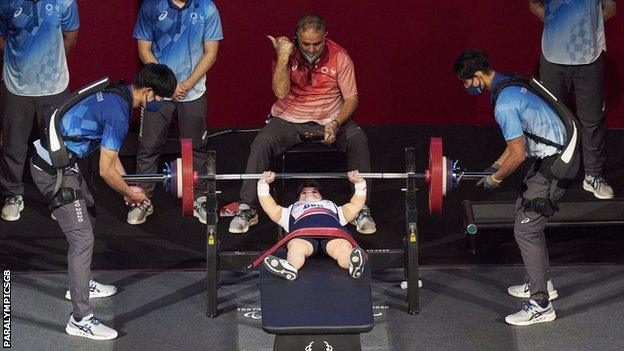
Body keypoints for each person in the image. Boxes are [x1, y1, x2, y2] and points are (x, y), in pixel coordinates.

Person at [29, 63, 177, 340]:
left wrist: (126, 189)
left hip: (64, 164)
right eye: (159, 98)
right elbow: (105, 170)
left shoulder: (116, 93)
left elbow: (111, 156)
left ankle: (81, 283)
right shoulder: (120, 114)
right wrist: (131, 193)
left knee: (89, 209)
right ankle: (80, 319)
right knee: (82, 239)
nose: (159, 104)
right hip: (52, 172)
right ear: (147, 91)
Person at [453, 49, 576, 326]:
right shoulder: (509, 82)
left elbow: (518, 154)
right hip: (552, 154)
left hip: (556, 162)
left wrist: (496, 180)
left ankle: (541, 303)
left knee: (527, 228)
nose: (465, 88)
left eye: (465, 82)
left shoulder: (504, 105)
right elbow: (513, 148)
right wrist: (494, 167)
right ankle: (543, 281)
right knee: (523, 209)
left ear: (476, 77)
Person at [229, 14, 376, 235]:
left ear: (325, 37)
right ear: (296, 37)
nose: (311, 48)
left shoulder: (340, 56)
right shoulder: (285, 54)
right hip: (290, 120)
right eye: (306, 43)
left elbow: (352, 99)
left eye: (317, 43)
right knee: (262, 142)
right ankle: (247, 208)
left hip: (330, 119)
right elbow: (280, 92)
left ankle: (361, 208)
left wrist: (336, 123)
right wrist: (283, 57)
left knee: (358, 140)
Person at [131, 0, 223, 225]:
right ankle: (143, 198)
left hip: (193, 91)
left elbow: (210, 53)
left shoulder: (206, 8)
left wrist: (188, 83)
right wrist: (167, 83)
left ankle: (200, 196)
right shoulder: (152, 6)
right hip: (159, 92)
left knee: (196, 148)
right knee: (149, 146)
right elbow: (144, 49)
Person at [529, 0, 618, 199]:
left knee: (592, 119)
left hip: (589, 58)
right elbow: (534, 4)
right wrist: (561, 25)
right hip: (553, 56)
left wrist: (584, 25)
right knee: (551, 118)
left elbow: (611, 9)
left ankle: (593, 175)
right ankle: (551, 173)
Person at [0, 0, 79, 221]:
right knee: (13, 146)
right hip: (16, 87)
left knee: (57, 146)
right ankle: (13, 194)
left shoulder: (65, 2)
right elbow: (1, 41)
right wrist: (24, 59)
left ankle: (59, 196)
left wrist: (48, 65)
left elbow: (70, 36)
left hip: (54, 86)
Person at [257, 171, 368, 280]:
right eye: (304, 192)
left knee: (342, 247)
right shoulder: (291, 209)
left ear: (321, 197)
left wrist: (359, 183)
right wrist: (263, 184)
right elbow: (270, 207)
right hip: (303, 235)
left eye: (314, 192)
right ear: (298, 198)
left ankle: (352, 264)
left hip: (333, 233)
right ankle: (290, 266)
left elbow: (355, 204)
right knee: (296, 247)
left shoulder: (332, 206)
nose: (309, 193)